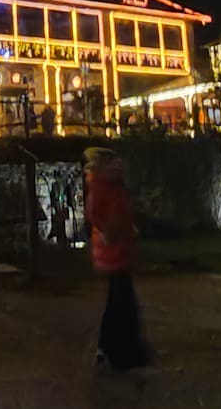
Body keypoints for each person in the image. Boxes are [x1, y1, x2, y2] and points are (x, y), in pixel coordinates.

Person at [84, 147, 150, 371]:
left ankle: (111, 348)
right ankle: (122, 351)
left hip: (116, 247)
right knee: (123, 303)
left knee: (118, 302)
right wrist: (111, 230)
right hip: (115, 249)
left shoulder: (106, 185)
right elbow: (103, 213)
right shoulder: (106, 187)